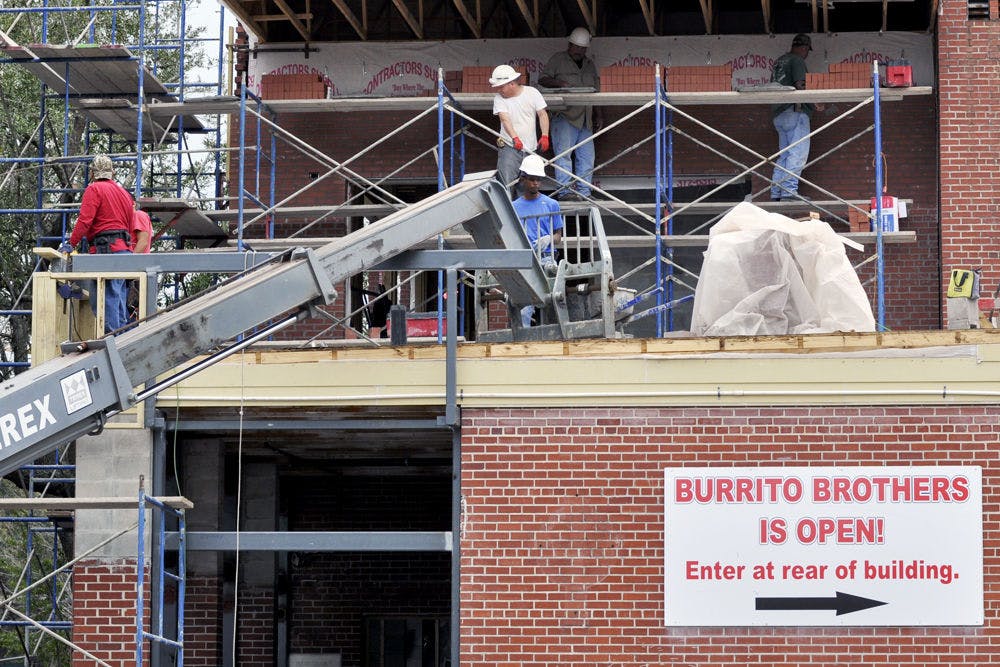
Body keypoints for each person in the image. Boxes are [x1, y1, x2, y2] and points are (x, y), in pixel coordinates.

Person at [60, 154, 135, 333]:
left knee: (103, 301)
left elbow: (85, 220)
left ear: (92, 173)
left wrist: (71, 243)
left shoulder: (94, 190)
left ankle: (112, 344)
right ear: (112, 173)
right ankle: (123, 341)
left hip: (106, 251)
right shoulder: (124, 194)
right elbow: (130, 226)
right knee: (117, 300)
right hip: (124, 251)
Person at [538, 27, 602, 201]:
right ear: (570, 45)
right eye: (577, 48)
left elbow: (596, 91)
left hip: (585, 119)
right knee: (563, 155)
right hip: (565, 116)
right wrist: (560, 83)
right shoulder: (558, 60)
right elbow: (542, 79)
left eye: (583, 48)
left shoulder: (590, 64)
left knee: (587, 157)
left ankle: (584, 192)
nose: (580, 51)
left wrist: (598, 114)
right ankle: (565, 192)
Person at [770, 33, 824, 202]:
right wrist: (815, 103)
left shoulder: (779, 61)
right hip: (795, 112)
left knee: (784, 155)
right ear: (804, 47)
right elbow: (800, 85)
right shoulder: (797, 61)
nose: (807, 53)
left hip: (779, 114)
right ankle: (789, 192)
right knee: (797, 154)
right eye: (807, 50)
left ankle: (776, 192)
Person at [512, 154, 563, 327]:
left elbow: (558, 237)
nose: (536, 183)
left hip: (547, 258)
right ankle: (522, 344)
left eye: (539, 180)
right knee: (524, 306)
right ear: (523, 179)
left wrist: (548, 239)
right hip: (525, 260)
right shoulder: (513, 208)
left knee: (553, 301)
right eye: (532, 179)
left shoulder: (551, 205)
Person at [491, 64, 549, 197]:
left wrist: (545, 136)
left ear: (511, 83)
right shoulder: (499, 99)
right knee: (506, 183)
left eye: (501, 87)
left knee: (527, 186)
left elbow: (542, 114)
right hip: (509, 147)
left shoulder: (532, 93)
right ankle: (506, 214)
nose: (499, 90)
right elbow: (505, 119)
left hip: (530, 148)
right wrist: (514, 138)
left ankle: (523, 215)